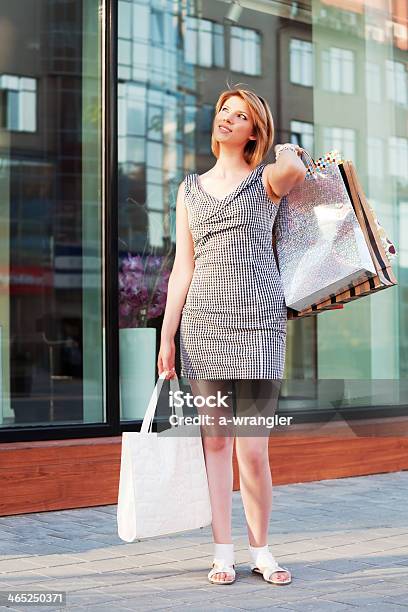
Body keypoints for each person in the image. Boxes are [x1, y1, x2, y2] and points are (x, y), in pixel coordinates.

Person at [158, 87, 306, 585]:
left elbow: (298, 167)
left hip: (259, 325)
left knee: (253, 449)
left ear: (253, 131)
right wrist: (167, 335)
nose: (227, 119)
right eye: (224, 110)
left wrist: (277, 145)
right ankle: (223, 551)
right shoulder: (189, 189)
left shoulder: (268, 179)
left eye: (240, 115)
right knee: (216, 443)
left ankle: (261, 550)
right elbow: (183, 267)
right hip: (202, 328)